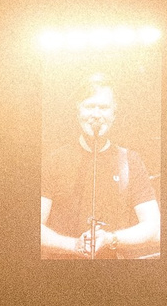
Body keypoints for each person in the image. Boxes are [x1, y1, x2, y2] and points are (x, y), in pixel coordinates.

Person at [42, 72, 159, 259]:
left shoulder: (130, 160)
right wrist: (73, 245)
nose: (96, 114)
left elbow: (154, 226)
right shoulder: (54, 161)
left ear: (114, 114)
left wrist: (110, 239)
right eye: (89, 106)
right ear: (78, 111)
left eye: (103, 107)